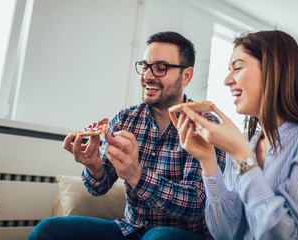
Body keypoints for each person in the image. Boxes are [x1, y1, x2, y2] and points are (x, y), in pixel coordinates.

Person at [28, 31, 226, 240]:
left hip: (182, 235)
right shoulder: (126, 119)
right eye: (145, 66)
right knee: (47, 230)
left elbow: (195, 206)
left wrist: (136, 175)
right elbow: (99, 187)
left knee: (158, 237)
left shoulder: (207, 125)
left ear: (186, 76)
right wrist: (94, 166)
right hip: (130, 229)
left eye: (160, 68)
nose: (147, 76)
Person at [169, 30, 298, 239]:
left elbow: (292, 235)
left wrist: (242, 157)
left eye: (237, 67)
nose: (227, 80)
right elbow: (226, 234)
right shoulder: (247, 142)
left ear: (274, 69)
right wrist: (208, 161)